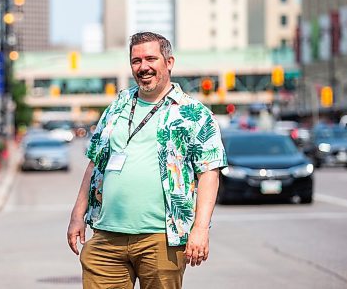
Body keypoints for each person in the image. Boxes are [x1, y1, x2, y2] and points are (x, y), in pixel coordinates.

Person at [67, 32, 227, 288]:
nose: (143, 67)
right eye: (136, 61)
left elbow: (209, 172)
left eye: (151, 58)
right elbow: (95, 162)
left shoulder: (193, 113)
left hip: (162, 238)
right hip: (106, 235)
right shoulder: (117, 106)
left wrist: (200, 228)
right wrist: (77, 215)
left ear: (169, 62)